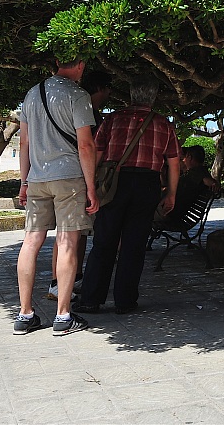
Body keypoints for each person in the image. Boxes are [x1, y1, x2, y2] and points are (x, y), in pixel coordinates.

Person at [75, 82, 180, 315]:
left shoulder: (113, 119)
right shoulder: (163, 123)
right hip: (147, 184)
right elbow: (173, 162)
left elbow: (97, 153)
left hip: (115, 183)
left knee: (104, 241)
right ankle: (125, 300)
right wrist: (171, 193)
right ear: (153, 98)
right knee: (134, 245)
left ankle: (91, 299)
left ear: (132, 95)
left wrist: (91, 186)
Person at [15, 58, 98, 336]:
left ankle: (25, 315)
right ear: (80, 65)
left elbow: (24, 142)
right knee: (67, 242)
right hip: (69, 178)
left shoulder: (32, 93)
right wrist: (91, 187)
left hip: (37, 178)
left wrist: (24, 182)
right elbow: (85, 145)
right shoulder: (78, 95)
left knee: (31, 242)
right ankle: (63, 316)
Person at [46, 68, 113, 302]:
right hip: (78, 178)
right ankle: (63, 282)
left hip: (53, 175)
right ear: (102, 89)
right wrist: (91, 184)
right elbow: (89, 148)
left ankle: (64, 280)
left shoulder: (66, 105)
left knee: (68, 233)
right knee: (73, 234)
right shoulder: (87, 112)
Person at [153, 144, 219, 224]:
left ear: (189, 157)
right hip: (172, 212)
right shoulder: (197, 172)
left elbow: (210, 182)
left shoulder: (197, 172)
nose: (183, 160)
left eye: (184, 158)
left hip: (168, 213)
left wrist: (214, 184)